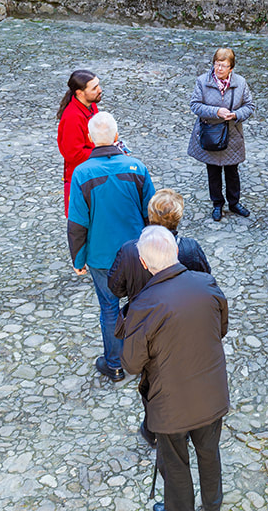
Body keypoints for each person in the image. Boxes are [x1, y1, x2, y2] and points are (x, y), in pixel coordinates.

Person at [120, 226, 229, 511]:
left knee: (176, 466)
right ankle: (213, 506)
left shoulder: (143, 305)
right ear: (176, 252)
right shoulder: (207, 284)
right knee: (209, 455)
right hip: (210, 395)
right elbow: (221, 329)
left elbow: (131, 364)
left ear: (144, 263)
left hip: (169, 407)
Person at [68, 111, 155, 382]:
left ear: (90, 138)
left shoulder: (82, 174)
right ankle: (144, 359)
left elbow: (77, 224)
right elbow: (151, 212)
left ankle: (115, 363)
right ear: (117, 137)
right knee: (141, 304)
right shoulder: (136, 168)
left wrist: (78, 259)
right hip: (137, 252)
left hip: (101, 256)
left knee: (109, 307)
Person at [188, 47, 255, 222]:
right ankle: (217, 203)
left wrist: (236, 115)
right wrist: (216, 111)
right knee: (213, 171)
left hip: (232, 134)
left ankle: (234, 203)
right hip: (210, 133)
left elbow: (249, 106)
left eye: (223, 66)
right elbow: (195, 105)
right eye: (217, 65)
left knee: (233, 171)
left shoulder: (240, 83)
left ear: (231, 68)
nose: (219, 69)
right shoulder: (202, 81)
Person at [57, 69, 101, 216]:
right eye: (94, 88)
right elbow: (74, 155)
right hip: (81, 179)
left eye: (98, 85)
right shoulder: (72, 117)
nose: (100, 90)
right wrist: (103, 152)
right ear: (80, 93)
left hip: (93, 171)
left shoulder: (91, 105)